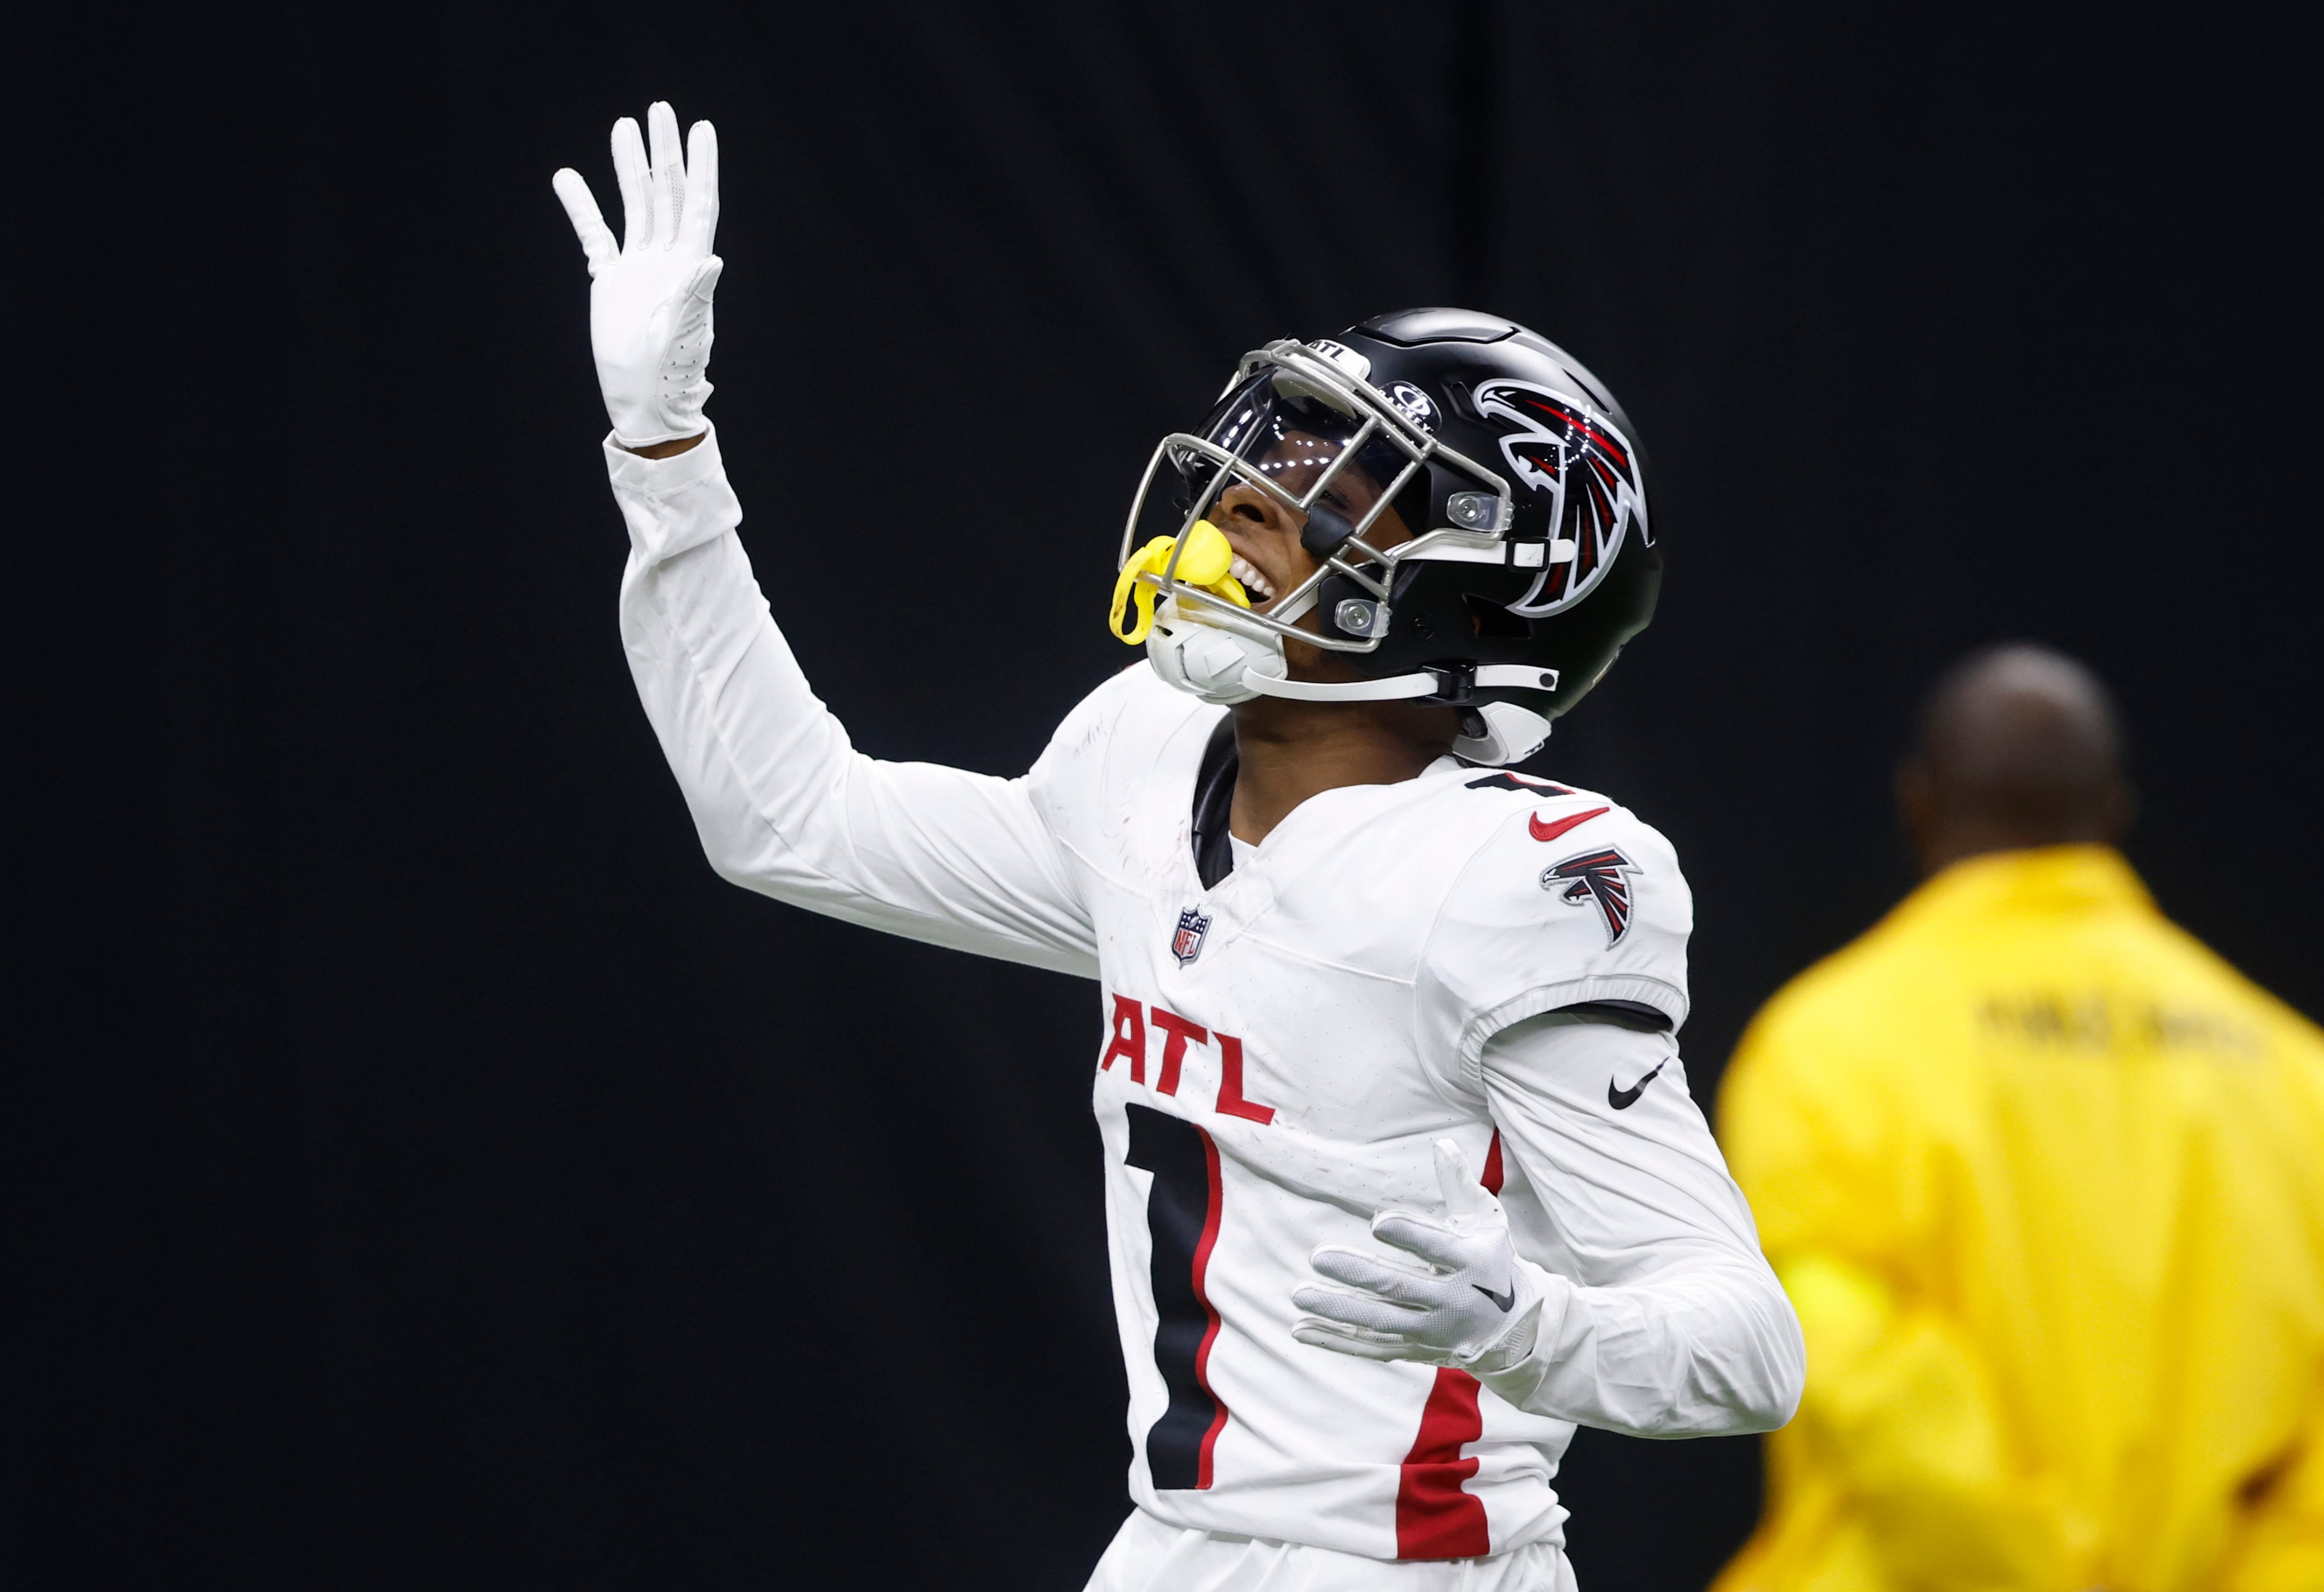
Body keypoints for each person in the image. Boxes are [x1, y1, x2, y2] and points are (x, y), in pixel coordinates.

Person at [553, 103, 1802, 1590]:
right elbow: (791, 817)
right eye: (1263, 459)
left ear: (1482, 598)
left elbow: (1746, 1346)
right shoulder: (1145, 756)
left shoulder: (1504, 883)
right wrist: (665, 449)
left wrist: (1526, 1323)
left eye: (1332, 498)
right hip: (1174, 1548)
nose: (1244, 506)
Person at [1712, 645, 2324, 1592]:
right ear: (2115, 813)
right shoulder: (2293, 1070)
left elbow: (1852, 1363)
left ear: (1918, 805)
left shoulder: (1824, 1048)